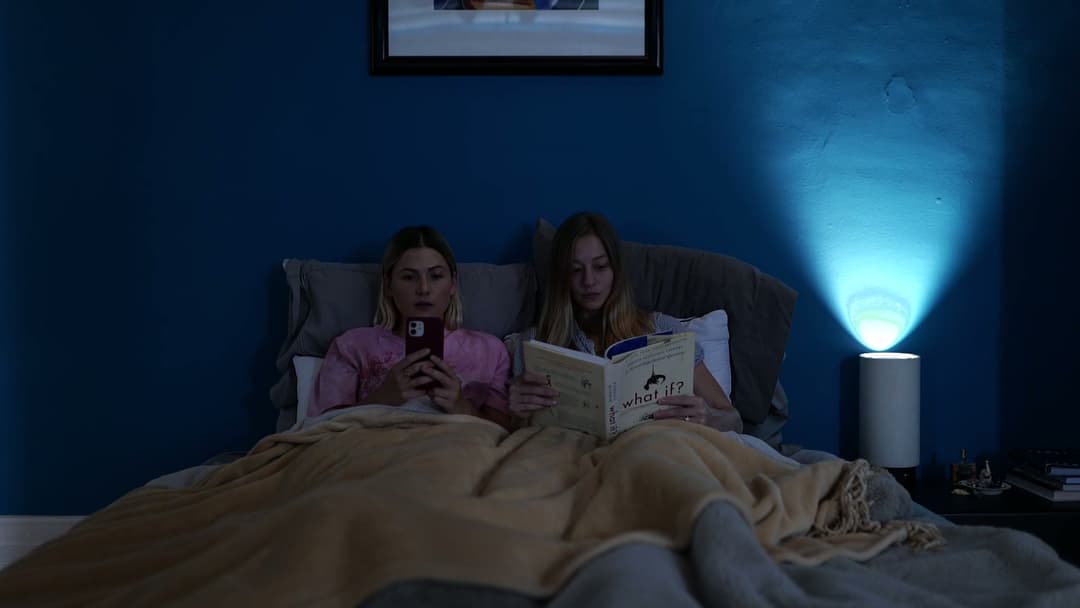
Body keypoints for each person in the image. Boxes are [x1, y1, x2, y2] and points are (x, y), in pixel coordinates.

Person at [508, 212, 743, 433]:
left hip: (651, 450)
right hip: (568, 455)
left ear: (616, 271)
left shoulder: (663, 329)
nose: (589, 281)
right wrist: (515, 414)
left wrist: (707, 417)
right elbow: (517, 432)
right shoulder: (533, 344)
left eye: (600, 267)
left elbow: (733, 419)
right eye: (575, 270)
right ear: (562, 278)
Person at [310, 226, 513, 430]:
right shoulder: (352, 346)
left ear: (453, 283)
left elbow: (505, 432)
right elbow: (318, 430)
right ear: (388, 285)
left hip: (459, 453)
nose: (423, 289)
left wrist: (462, 406)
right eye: (408, 277)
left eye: (435, 276)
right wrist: (382, 399)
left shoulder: (488, 350)